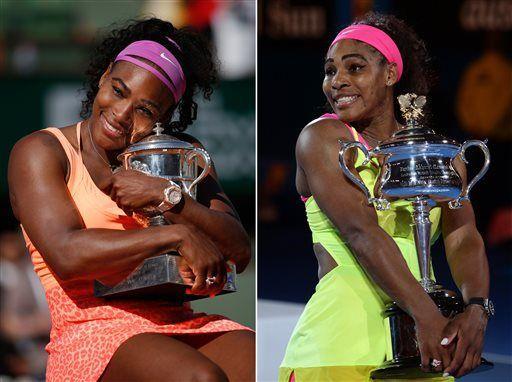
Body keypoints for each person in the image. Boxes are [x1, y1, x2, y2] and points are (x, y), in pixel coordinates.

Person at [8, 18, 254, 382]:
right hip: (90, 328)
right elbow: (67, 253)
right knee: (198, 378)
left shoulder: (182, 153)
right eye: (119, 91)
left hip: (177, 320)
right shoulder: (41, 151)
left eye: (145, 110)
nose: (121, 116)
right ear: (104, 76)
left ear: (165, 117)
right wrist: (177, 235)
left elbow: (239, 251)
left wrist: (167, 197)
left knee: (259, 361)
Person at [279, 12, 490, 382]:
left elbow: (463, 236)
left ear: (390, 74)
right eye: (330, 71)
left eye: (355, 68)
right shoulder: (324, 139)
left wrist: (475, 309)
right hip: (338, 353)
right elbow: (363, 234)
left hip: (424, 353)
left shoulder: (433, 153)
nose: (337, 82)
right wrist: (427, 316)